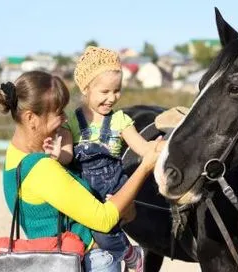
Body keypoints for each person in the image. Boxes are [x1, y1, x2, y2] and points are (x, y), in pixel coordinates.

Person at [0, 70, 163, 272]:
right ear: (31, 118)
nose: (64, 119)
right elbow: (104, 220)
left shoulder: (14, 156)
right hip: (91, 262)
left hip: (52, 260)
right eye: (58, 112)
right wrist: (145, 167)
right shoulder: (42, 169)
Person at [42, 46, 161, 272]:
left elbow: (142, 147)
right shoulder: (73, 123)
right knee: (92, 231)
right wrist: (58, 154)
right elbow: (67, 156)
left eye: (117, 91)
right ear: (86, 88)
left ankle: (130, 254)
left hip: (114, 186)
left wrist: (158, 147)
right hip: (86, 189)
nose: (112, 98)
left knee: (102, 231)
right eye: (105, 91)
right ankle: (129, 252)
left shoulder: (120, 120)